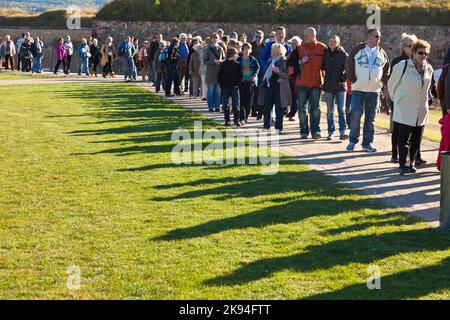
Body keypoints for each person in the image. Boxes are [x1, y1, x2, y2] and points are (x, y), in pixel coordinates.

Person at [387, 40, 434, 175]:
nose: (423, 56)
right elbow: (391, 85)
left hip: (421, 110)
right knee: (403, 139)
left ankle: (411, 162)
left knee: (416, 139)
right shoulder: (402, 66)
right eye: (420, 53)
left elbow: (427, 89)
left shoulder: (429, 69)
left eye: (426, 54)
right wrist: (397, 100)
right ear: (413, 53)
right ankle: (403, 164)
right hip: (404, 108)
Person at [345, 28, 390, 152]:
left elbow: (387, 69)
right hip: (358, 89)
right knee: (355, 115)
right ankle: (352, 141)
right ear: (369, 37)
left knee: (371, 119)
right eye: (377, 36)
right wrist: (354, 80)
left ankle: (367, 144)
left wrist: (382, 82)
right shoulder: (357, 50)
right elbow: (348, 65)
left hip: (374, 91)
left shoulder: (382, 53)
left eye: (379, 37)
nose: (379, 39)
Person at [292, 27, 327, 139]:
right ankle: (303, 131)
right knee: (302, 109)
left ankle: (316, 131)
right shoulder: (299, 48)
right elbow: (289, 64)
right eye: (304, 35)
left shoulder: (322, 48)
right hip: (302, 84)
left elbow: (328, 65)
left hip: (316, 84)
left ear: (313, 36)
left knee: (315, 109)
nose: (304, 37)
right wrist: (300, 61)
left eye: (306, 35)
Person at [389, 33, 418, 163]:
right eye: (410, 46)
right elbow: (392, 82)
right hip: (399, 100)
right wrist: (394, 99)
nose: (412, 48)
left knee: (416, 128)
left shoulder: (419, 62)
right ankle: (395, 154)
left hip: (413, 101)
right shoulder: (398, 61)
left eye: (414, 46)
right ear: (403, 47)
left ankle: (415, 155)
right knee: (398, 128)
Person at [322, 35, 349, 140]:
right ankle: (330, 132)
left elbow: (349, 69)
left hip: (340, 86)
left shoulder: (343, 54)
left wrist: (343, 78)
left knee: (341, 109)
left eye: (335, 41)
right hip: (328, 86)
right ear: (328, 42)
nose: (332, 43)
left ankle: (342, 132)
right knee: (330, 110)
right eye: (331, 41)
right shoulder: (325, 54)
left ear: (338, 43)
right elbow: (322, 67)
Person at [262, 43, 290, 134]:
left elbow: (287, 76)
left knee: (279, 109)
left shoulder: (284, 61)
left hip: (279, 88)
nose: (271, 52)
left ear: (277, 51)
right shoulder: (271, 60)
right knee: (267, 108)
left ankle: (279, 128)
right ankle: (266, 127)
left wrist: (279, 72)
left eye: (272, 50)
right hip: (269, 87)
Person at [218, 48, 242, 126]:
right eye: (236, 54)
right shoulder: (223, 64)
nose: (237, 56)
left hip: (234, 88)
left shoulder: (237, 64)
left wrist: (237, 85)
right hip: (225, 88)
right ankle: (227, 120)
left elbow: (240, 76)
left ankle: (236, 120)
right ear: (232, 54)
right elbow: (219, 76)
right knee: (225, 105)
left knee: (236, 105)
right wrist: (222, 86)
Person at [237, 42, 260, 122]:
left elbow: (258, 67)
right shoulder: (239, 59)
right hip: (241, 82)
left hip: (250, 82)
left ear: (250, 50)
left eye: (248, 49)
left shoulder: (252, 59)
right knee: (242, 100)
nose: (246, 51)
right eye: (245, 49)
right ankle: (241, 117)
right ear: (242, 50)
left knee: (248, 101)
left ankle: (246, 116)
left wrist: (255, 74)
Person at [204, 33, 225, 112]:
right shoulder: (208, 49)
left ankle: (217, 106)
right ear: (211, 39)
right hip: (210, 73)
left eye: (216, 38)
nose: (215, 39)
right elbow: (205, 61)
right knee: (210, 91)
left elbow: (224, 59)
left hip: (219, 73)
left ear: (218, 39)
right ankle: (210, 107)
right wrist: (213, 61)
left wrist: (220, 61)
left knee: (218, 91)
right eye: (213, 38)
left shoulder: (220, 49)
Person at [285, 36, 302, 121]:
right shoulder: (290, 52)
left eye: (295, 43)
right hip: (291, 77)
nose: (293, 44)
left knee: (296, 96)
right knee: (292, 96)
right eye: (292, 43)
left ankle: (294, 113)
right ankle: (292, 113)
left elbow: (297, 63)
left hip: (298, 78)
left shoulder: (300, 52)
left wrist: (287, 60)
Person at [251, 30, 265, 117]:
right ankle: (251, 110)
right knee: (252, 90)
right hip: (253, 70)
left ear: (263, 37)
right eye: (257, 36)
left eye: (260, 37)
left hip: (262, 71)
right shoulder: (251, 46)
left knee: (259, 90)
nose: (258, 38)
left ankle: (256, 110)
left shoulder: (265, 46)